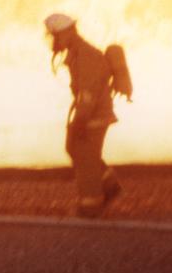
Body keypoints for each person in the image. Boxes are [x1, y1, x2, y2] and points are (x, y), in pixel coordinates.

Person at [44, 13, 124, 218]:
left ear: (68, 33)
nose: (54, 41)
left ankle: (91, 208)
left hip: (94, 116)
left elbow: (89, 92)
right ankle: (109, 185)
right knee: (74, 149)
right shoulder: (77, 53)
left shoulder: (85, 55)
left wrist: (81, 119)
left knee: (85, 159)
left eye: (56, 36)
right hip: (91, 113)